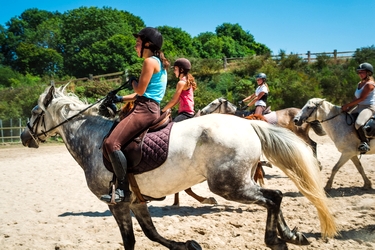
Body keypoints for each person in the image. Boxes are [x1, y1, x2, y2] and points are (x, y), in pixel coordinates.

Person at [100, 27, 170, 203]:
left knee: (110, 143)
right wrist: (119, 98)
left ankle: (123, 190)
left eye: (138, 43)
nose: (135, 47)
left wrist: (132, 80)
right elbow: (142, 93)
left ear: (147, 44)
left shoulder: (149, 62)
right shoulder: (159, 63)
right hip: (149, 106)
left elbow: (139, 89)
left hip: (144, 110)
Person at [342, 62, 375, 154]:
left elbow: (361, 98)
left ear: (368, 73)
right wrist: (349, 108)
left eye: (362, 72)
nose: (360, 74)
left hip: (369, 107)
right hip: (359, 106)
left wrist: (347, 105)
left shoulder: (369, 84)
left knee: (358, 123)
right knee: (346, 119)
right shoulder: (360, 84)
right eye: (359, 72)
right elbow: (356, 98)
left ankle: (365, 143)